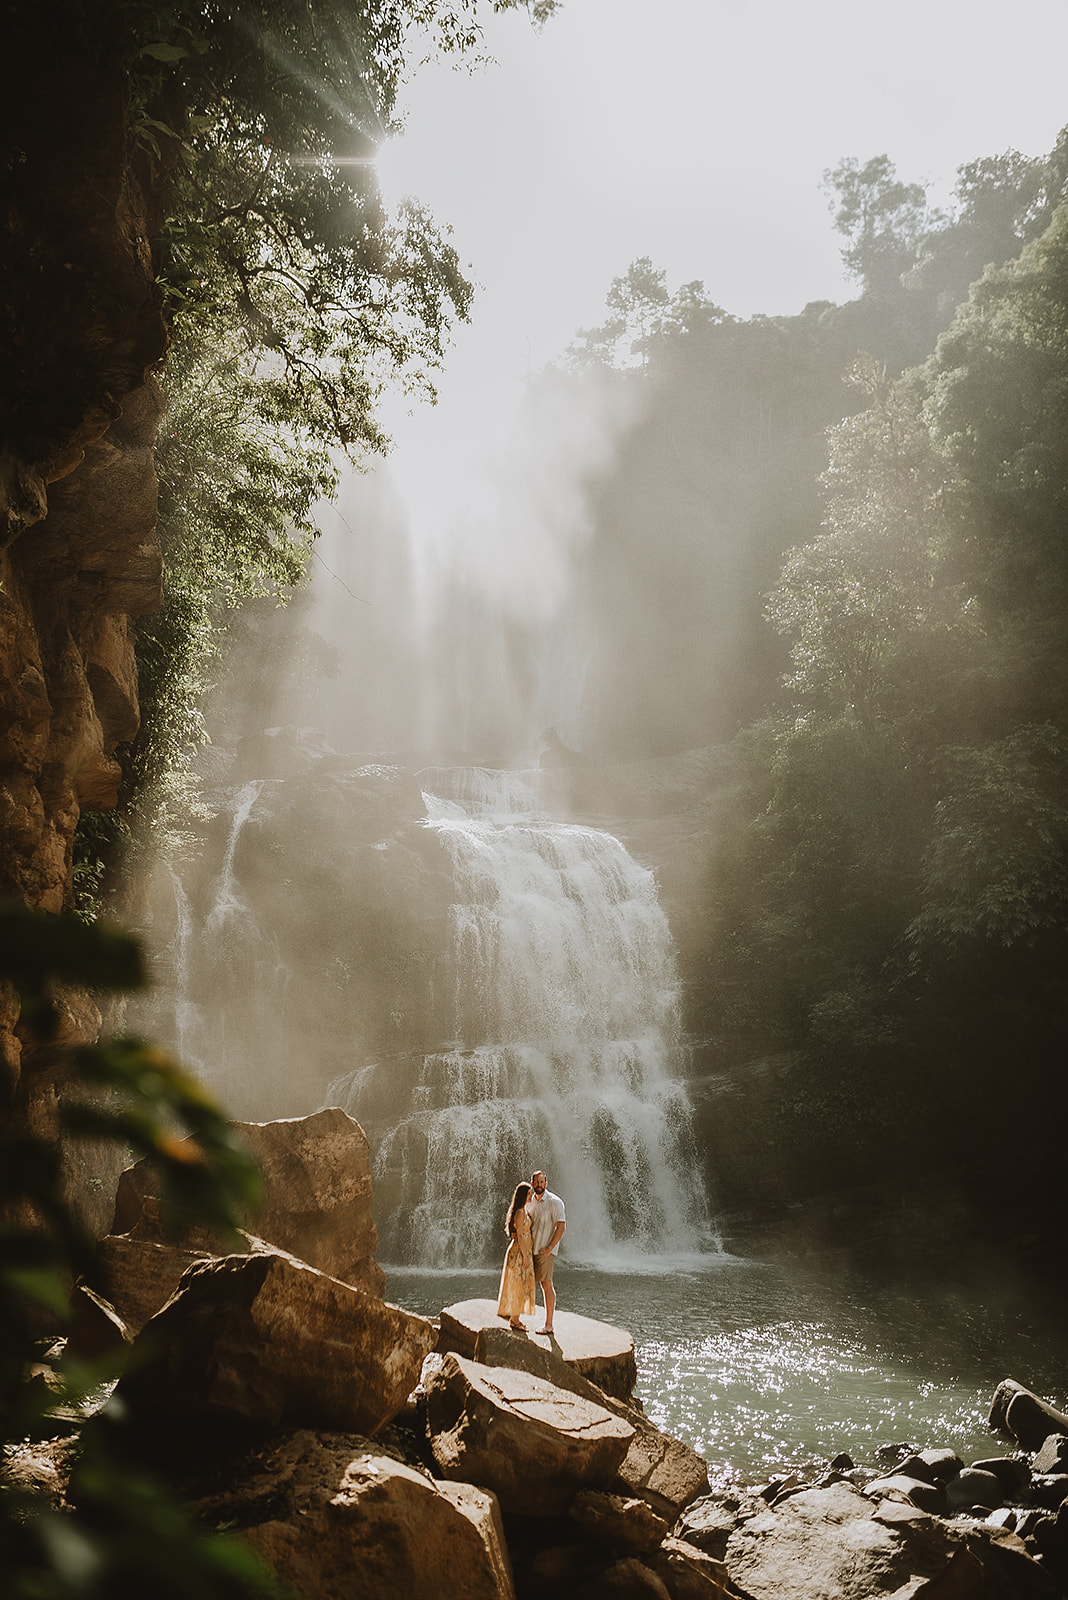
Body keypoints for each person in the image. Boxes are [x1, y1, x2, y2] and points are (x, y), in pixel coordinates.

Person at [528, 1169, 565, 1335]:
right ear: (532, 1184)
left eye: (542, 1182)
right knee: (524, 1282)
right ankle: (516, 1317)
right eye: (536, 1182)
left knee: (546, 1284)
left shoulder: (555, 1202)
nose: (539, 1185)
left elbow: (561, 1227)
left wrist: (549, 1248)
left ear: (546, 1183)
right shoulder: (529, 1201)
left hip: (545, 1251)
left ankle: (549, 1324)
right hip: (530, 1250)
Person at [496, 1181, 535, 1330]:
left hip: (523, 1250)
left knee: (520, 1283)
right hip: (519, 1252)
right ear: (524, 1195)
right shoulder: (520, 1212)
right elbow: (519, 1233)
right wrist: (525, 1256)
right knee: (518, 1284)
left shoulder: (523, 1210)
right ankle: (515, 1320)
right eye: (529, 1193)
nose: (531, 1196)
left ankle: (514, 1317)